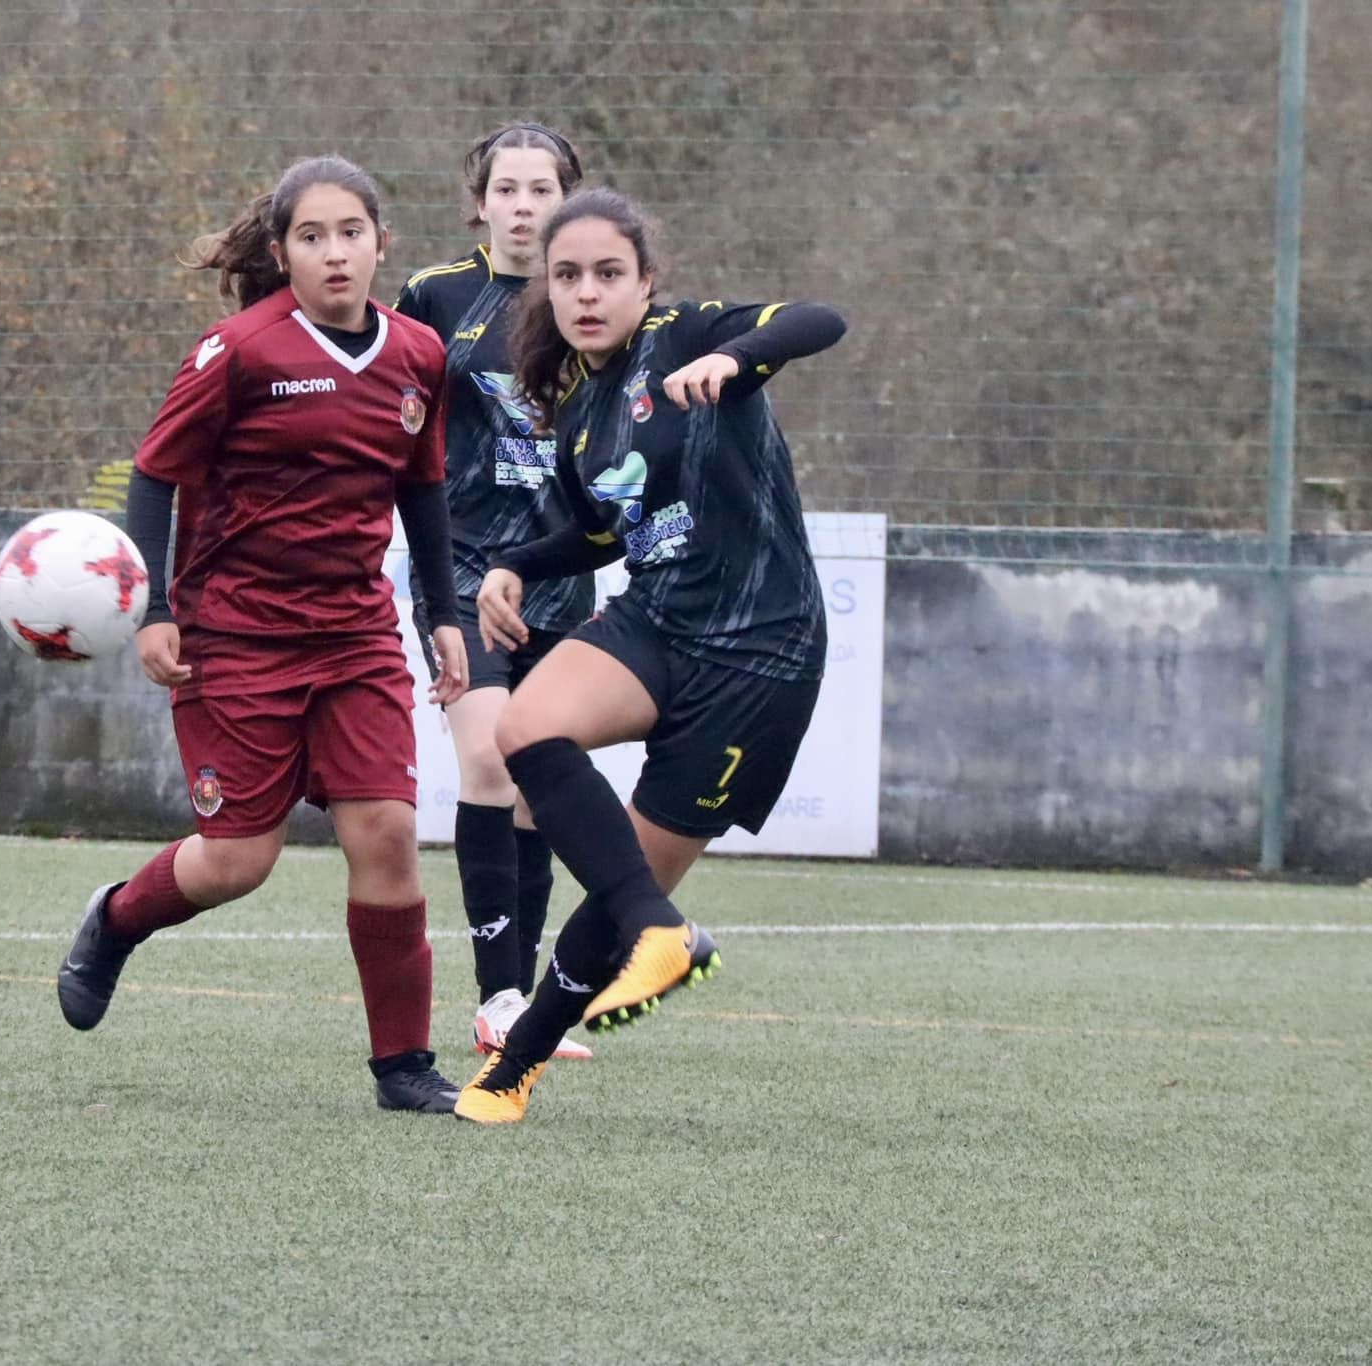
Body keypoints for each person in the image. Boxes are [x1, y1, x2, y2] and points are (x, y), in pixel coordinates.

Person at [54, 155, 474, 1114]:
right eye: (313, 237)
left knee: (390, 837)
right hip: (236, 634)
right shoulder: (239, 352)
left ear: (381, 242)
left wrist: (439, 616)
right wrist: (156, 610)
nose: (335, 254)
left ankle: (403, 1067)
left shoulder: (418, 355)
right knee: (240, 859)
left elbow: (424, 491)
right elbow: (154, 476)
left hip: (355, 633)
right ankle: (117, 921)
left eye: (351, 233)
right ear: (281, 252)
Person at [451, 188, 847, 1123]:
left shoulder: (686, 337)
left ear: (645, 283)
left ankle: (511, 1076)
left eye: (608, 274)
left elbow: (819, 318)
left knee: (619, 886)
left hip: (762, 653)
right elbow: (594, 535)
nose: (587, 293)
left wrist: (735, 354)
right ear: (545, 291)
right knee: (527, 727)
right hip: (658, 621)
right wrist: (509, 565)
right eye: (567, 277)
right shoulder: (585, 410)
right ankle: (663, 932)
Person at [394, 121, 595, 1061]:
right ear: (480, 201)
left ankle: (523, 1007)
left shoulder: (595, 301)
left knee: (535, 783)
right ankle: (501, 997)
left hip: (559, 573)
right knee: (488, 760)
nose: (524, 205)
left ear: (570, 199)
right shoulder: (437, 296)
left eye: (542, 189)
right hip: (463, 566)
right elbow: (388, 424)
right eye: (507, 189)